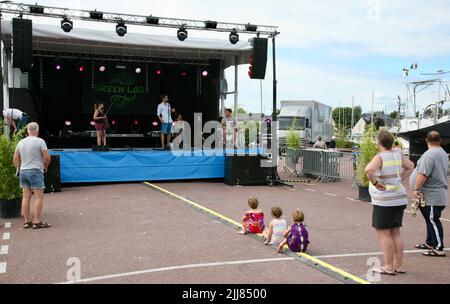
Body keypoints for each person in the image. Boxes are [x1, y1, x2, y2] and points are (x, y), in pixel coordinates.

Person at [365, 130, 414, 275]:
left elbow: (368, 170)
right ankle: (398, 265)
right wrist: (400, 179)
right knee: (396, 232)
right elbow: (411, 165)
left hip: (384, 200)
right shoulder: (398, 153)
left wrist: (375, 182)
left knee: (384, 234)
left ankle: (387, 266)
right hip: (399, 198)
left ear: (378, 143)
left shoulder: (380, 156)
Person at [409, 131, 448, 257]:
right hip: (434, 193)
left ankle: (438, 247)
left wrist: (416, 189)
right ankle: (430, 242)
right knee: (429, 219)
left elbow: (423, 174)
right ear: (440, 140)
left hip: (432, 194)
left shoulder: (429, 154)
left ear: (426, 140)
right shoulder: (441, 152)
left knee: (433, 219)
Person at [13, 122, 51, 229]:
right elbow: (47, 158)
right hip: (35, 170)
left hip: (23, 171)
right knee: (38, 198)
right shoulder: (40, 141)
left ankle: (26, 221)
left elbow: (15, 158)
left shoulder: (21, 142)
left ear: (27, 131)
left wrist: (17, 169)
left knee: (26, 197)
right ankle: (37, 222)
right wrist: (46, 166)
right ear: (37, 131)